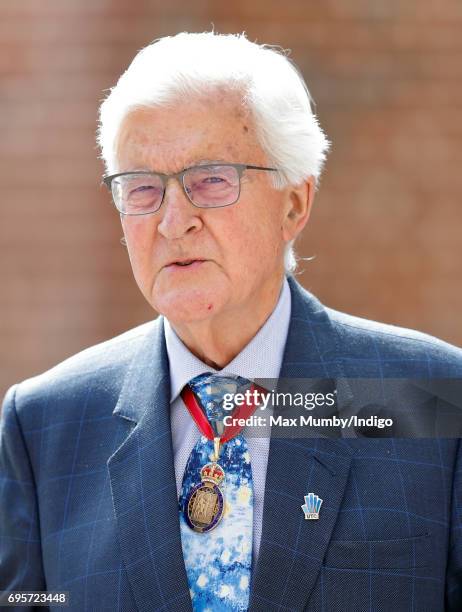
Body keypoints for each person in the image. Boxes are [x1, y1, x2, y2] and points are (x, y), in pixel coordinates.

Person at [1, 31, 462, 612]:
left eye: (211, 180)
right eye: (142, 188)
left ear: (294, 203)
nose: (173, 221)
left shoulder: (429, 400)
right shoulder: (45, 425)